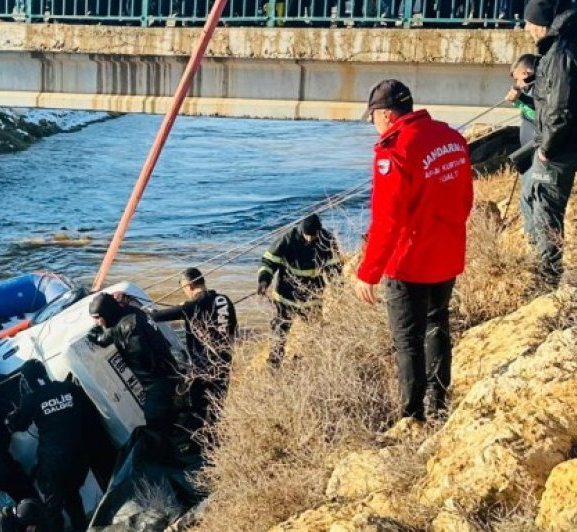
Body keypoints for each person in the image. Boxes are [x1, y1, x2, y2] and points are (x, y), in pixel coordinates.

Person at [355, 80, 473, 425]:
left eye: (374, 117)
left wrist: (368, 272)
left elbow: (387, 220)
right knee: (438, 326)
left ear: (387, 116)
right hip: (446, 251)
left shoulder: (393, 151)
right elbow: (465, 198)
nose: (374, 125)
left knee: (407, 340)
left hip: (408, 261)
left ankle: (412, 416)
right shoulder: (451, 137)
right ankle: (439, 405)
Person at [520, 0, 577, 286]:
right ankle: (539, 261)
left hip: (560, 147)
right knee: (530, 192)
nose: (526, 28)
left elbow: (560, 110)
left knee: (546, 209)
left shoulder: (559, 54)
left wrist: (545, 149)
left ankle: (547, 278)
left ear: (542, 23)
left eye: (529, 23)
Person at [6, 362, 102, 532]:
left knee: (53, 509)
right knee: (72, 496)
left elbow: (19, 425)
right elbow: (89, 410)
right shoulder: (69, 388)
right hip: (80, 458)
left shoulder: (32, 398)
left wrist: (12, 416)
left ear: (28, 380)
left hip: (53, 461)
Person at [149, 268, 238, 426]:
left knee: (199, 408)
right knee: (218, 406)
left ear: (188, 286)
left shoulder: (193, 306)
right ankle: (217, 438)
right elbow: (233, 329)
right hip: (224, 361)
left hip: (204, 366)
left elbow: (159, 316)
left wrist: (143, 313)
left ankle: (202, 442)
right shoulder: (224, 300)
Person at [257, 214, 341, 367]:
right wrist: (264, 281)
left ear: (319, 231)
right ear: (301, 230)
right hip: (286, 295)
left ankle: (307, 361)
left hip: (312, 295)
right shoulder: (288, 239)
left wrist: (338, 289)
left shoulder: (327, 240)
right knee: (280, 331)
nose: (310, 239)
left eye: (313, 235)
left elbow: (334, 268)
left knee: (314, 330)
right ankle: (274, 363)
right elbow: (269, 261)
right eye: (307, 235)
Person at [86, 293, 180, 430]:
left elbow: (144, 361)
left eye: (98, 318)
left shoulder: (128, 328)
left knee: (155, 422)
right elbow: (115, 331)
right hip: (169, 368)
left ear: (107, 313)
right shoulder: (131, 312)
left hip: (157, 380)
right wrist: (102, 337)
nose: (97, 322)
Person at [506, 54, 540, 148]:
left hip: (538, 144)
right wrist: (516, 100)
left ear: (526, 73)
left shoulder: (541, 86)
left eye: (517, 79)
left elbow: (542, 110)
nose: (517, 84)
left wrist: (521, 97)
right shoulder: (528, 88)